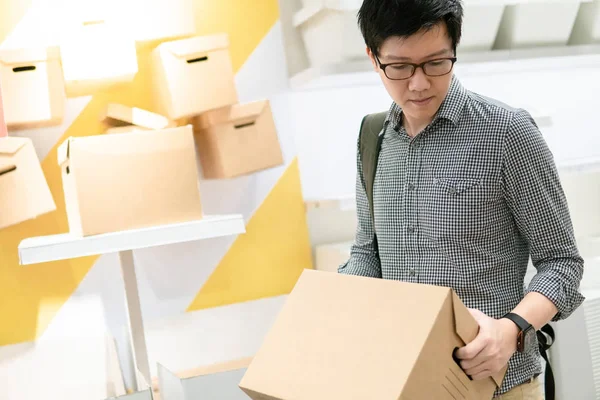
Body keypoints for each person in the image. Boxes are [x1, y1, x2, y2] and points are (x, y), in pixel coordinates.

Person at [337, 0, 585, 398]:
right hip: (406, 383)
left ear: (455, 49)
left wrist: (511, 331)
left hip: (499, 386)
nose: (418, 84)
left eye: (436, 63)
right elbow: (368, 252)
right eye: (399, 67)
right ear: (373, 57)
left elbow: (563, 264)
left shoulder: (507, 133)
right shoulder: (373, 139)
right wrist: (330, 309)